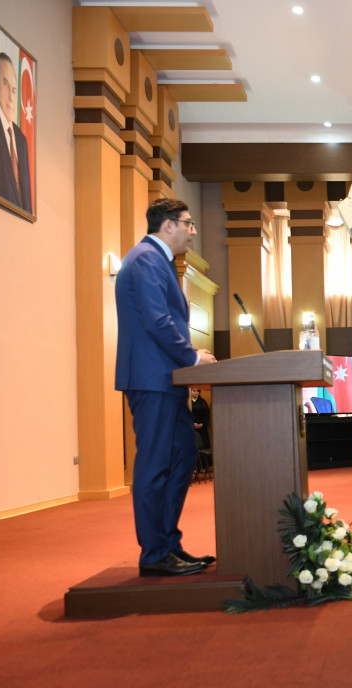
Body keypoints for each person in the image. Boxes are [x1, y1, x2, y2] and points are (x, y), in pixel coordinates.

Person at [114, 198, 216, 577]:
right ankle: (154, 553)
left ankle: (169, 544)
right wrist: (191, 358)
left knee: (184, 455)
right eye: (189, 224)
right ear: (168, 225)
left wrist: (188, 357)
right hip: (151, 379)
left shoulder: (159, 261)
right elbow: (158, 321)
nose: (193, 231)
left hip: (165, 379)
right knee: (155, 465)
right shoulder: (144, 258)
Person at [0, 52, 32, 214]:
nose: (11, 97)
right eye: (5, 84)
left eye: (14, 90)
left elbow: (27, 203)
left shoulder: (21, 140)